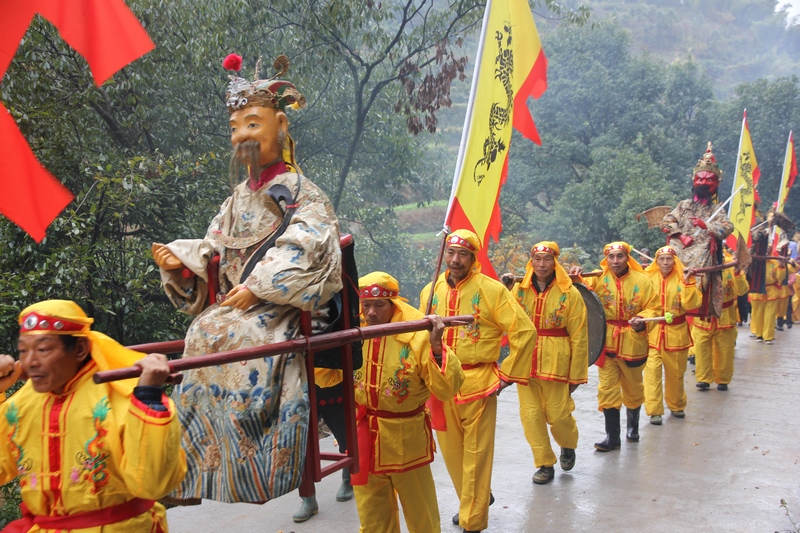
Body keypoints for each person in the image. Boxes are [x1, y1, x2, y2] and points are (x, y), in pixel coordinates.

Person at [151, 54, 343, 503]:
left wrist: (257, 287)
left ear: (280, 124)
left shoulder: (298, 190)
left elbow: (309, 242)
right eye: (236, 128)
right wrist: (181, 264)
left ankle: (257, 466)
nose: (243, 137)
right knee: (204, 329)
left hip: (281, 306)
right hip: (235, 304)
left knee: (236, 335)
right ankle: (199, 468)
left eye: (253, 124)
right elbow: (214, 246)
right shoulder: (237, 197)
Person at [0, 300, 186, 532]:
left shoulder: (120, 396)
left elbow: (153, 484)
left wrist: (149, 394)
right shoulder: (21, 404)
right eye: (23, 351)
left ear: (79, 349)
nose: (30, 362)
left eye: (43, 349)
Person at [420, 229, 536, 533]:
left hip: (479, 383)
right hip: (442, 383)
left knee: (476, 455)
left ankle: (473, 520)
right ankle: (472, 500)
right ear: (444, 255)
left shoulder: (492, 290)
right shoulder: (430, 291)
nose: (455, 260)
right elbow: (418, 339)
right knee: (452, 453)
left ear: (473, 258)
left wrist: (506, 375)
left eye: (463, 254)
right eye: (451, 253)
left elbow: (525, 332)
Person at [352, 272, 464, 533]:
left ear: (394, 304)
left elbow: (447, 389)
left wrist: (437, 348)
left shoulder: (417, 334)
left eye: (379, 305)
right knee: (372, 518)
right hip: (364, 438)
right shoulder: (353, 333)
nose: (370, 313)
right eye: (366, 305)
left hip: (407, 441)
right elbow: (328, 377)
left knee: (421, 515)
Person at [502, 241, 588, 485]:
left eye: (547, 259)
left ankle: (567, 445)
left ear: (555, 262)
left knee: (559, 414)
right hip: (524, 362)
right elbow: (502, 315)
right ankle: (544, 463)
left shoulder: (569, 293)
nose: (541, 264)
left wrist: (577, 374)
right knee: (531, 416)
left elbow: (579, 336)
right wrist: (505, 287)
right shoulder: (518, 290)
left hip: (556, 361)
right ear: (531, 261)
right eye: (537, 259)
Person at [570, 242, 661, 451]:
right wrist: (575, 277)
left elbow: (654, 308)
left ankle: (633, 428)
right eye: (611, 257)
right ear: (606, 259)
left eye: (620, 256)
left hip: (633, 341)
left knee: (633, 387)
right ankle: (612, 437)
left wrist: (642, 319)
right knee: (607, 389)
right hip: (607, 341)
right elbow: (581, 294)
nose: (615, 261)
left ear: (627, 257)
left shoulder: (643, 281)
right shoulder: (599, 279)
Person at [661, 143, 734, 318]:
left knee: (701, 258)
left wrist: (706, 226)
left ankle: (692, 298)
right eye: (700, 179)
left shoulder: (717, 209)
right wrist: (680, 235)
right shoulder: (683, 205)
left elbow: (727, 227)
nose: (703, 183)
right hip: (680, 248)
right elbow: (667, 221)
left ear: (716, 184)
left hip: (702, 252)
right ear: (694, 181)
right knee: (665, 258)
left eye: (709, 180)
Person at [642, 246, 702, 424]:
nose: (665, 263)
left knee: (675, 374)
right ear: (656, 261)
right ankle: (654, 411)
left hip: (676, 334)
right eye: (662, 259)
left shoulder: (683, 277)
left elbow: (691, 303)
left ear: (674, 261)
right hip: (652, 333)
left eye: (669, 259)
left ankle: (676, 405)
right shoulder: (648, 277)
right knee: (651, 373)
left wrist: (687, 282)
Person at [292, 369, 353, 522]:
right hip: (303, 381)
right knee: (302, 443)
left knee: (345, 438)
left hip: (334, 379)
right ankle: (308, 498)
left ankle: (348, 479)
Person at [692, 249, 750, 391]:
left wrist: (737, 272)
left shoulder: (730, 267)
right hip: (703, 317)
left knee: (725, 349)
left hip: (725, 316)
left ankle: (723, 379)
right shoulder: (697, 268)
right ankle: (704, 379)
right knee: (702, 350)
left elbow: (742, 290)